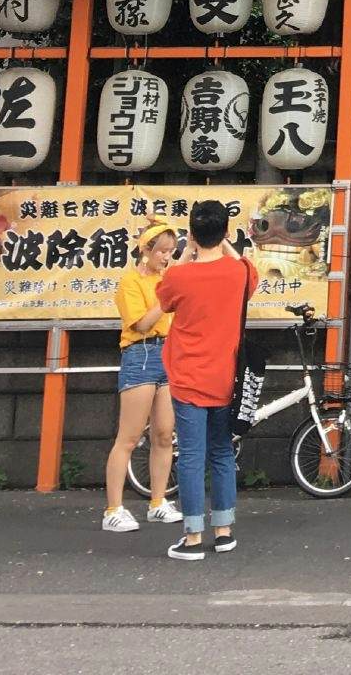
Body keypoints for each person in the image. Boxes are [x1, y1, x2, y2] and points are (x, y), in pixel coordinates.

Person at [154, 198, 259, 560]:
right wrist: (222, 243)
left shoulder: (179, 276)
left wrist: (188, 251)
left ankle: (194, 536)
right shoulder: (241, 272)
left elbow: (165, 297)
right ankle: (224, 531)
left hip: (187, 376)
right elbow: (240, 262)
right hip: (225, 376)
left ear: (193, 235)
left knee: (191, 457)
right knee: (222, 453)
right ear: (226, 232)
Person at [101, 222, 182, 532]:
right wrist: (165, 298)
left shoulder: (168, 279)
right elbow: (143, 325)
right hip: (141, 353)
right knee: (130, 437)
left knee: (164, 434)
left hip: (169, 354)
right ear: (145, 250)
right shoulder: (131, 282)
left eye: (170, 251)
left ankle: (158, 502)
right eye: (161, 251)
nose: (166, 257)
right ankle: (113, 509)